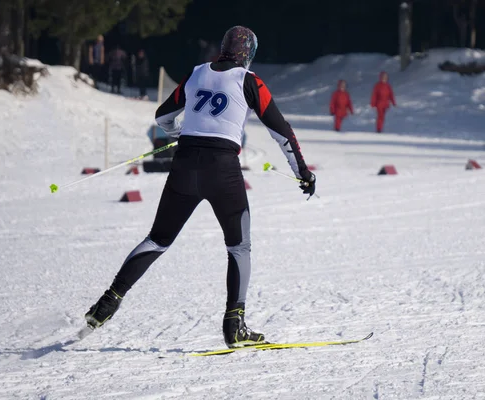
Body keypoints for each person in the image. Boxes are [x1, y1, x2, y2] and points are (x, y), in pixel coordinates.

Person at [84, 26, 316, 349]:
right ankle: (234, 323)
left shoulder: (197, 73)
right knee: (239, 247)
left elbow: (163, 116)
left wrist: (179, 132)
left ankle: (111, 297)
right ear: (248, 53)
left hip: (184, 165)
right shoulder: (251, 82)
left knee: (157, 240)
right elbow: (283, 133)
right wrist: (303, 173)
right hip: (223, 170)